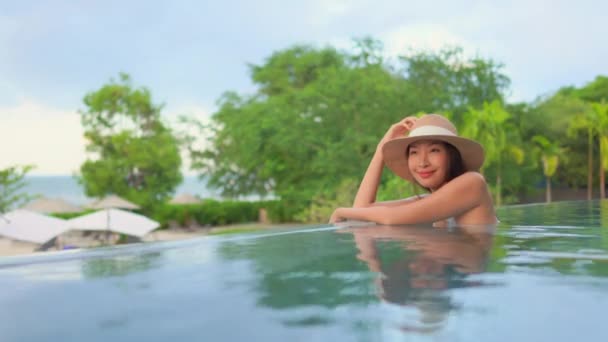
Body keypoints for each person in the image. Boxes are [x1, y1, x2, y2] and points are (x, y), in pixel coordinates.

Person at [329, 114, 497, 226]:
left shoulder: (473, 182)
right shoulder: (428, 201)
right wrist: (382, 149)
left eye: (434, 150)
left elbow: (390, 218)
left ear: (452, 156)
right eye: (414, 152)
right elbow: (361, 209)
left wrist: (339, 211)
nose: (422, 163)